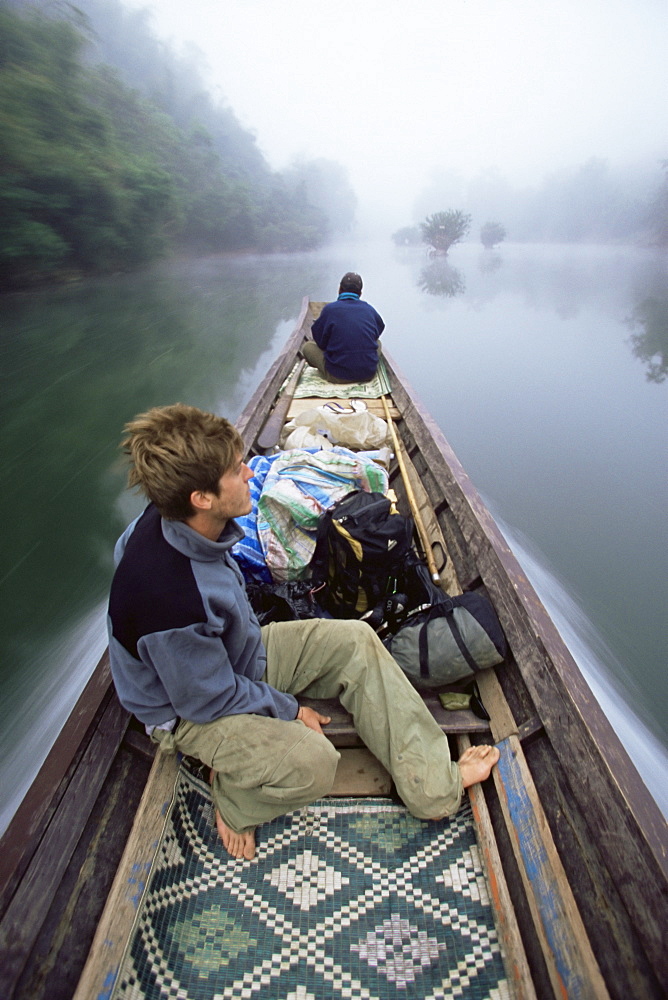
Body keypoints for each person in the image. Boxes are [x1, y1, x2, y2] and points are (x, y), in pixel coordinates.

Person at [107, 403, 500, 861]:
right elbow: (204, 700)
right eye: (238, 471)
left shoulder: (171, 522)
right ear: (202, 498)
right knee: (313, 763)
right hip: (188, 713)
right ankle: (235, 802)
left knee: (354, 638)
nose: (251, 475)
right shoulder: (169, 599)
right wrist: (287, 709)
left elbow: (220, 653)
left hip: (238, 657)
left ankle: (432, 788)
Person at [302, 272, 385, 383]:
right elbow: (379, 329)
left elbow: (320, 342)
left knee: (307, 347)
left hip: (337, 375)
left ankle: (332, 371)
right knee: (378, 343)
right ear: (360, 293)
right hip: (367, 374)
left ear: (339, 289)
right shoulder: (369, 309)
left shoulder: (330, 310)